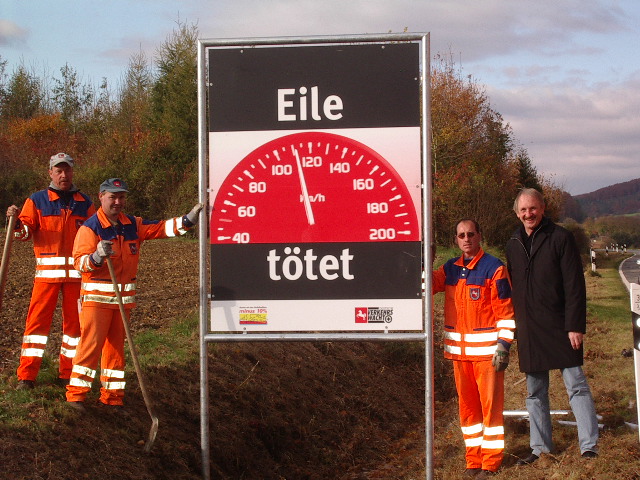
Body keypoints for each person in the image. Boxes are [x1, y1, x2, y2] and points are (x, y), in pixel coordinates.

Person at [65, 178, 202, 412]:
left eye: (121, 197)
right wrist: (97, 257)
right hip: (96, 302)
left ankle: (112, 397)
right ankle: (76, 396)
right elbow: (79, 264)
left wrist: (188, 219)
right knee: (90, 347)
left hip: (122, 304)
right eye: (112, 197)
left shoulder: (132, 225)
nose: (118, 202)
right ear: (101, 197)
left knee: (116, 351)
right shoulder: (90, 228)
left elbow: (161, 228)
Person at [506, 188, 599, 464]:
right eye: (523, 210)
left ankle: (589, 445)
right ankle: (540, 447)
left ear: (543, 208)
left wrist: (575, 325)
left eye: (532, 208)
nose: (528, 214)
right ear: (517, 213)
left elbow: (574, 284)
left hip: (561, 326)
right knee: (535, 392)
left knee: (577, 386)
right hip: (530, 329)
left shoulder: (561, 237)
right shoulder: (512, 243)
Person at [433, 219, 516, 478]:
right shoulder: (449, 269)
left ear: (479, 236)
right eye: (461, 235)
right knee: (468, 409)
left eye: (470, 234)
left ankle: (490, 462)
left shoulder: (494, 268)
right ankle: (473, 459)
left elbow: (505, 311)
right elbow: (424, 286)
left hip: (488, 355)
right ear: (456, 240)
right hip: (460, 356)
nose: (466, 238)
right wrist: (422, 259)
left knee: (490, 408)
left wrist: (504, 344)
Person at [6, 153, 95, 390]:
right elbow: (23, 233)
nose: (63, 175)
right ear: (51, 173)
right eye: (59, 171)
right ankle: (27, 376)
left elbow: (95, 234)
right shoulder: (36, 201)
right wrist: (15, 223)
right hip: (46, 278)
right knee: (36, 327)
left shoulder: (85, 203)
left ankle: (68, 373)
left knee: (75, 330)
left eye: (67, 170)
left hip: (77, 278)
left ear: (73, 172)